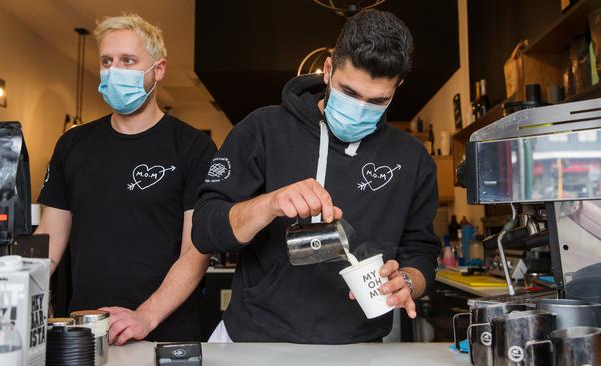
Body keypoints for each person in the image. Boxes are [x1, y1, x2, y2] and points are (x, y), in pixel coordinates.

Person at [192, 10, 440, 344]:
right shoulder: (263, 130)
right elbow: (206, 231)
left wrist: (408, 282)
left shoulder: (413, 158)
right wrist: (270, 203)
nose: (360, 109)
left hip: (357, 346)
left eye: (378, 101)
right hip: (253, 339)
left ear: (397, 89)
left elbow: (421, 252)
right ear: (327, 69)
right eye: (349, 93)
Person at [36, 14, 216, 344]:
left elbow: (197, 250)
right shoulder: (73, 144)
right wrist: (14, 293)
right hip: (87, 330)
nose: (114, 71)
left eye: (128, 61)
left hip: (166, 334)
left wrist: (144, 317)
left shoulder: (193, 147)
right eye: (107, 61)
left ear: (158, 69)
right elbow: (49, 237)